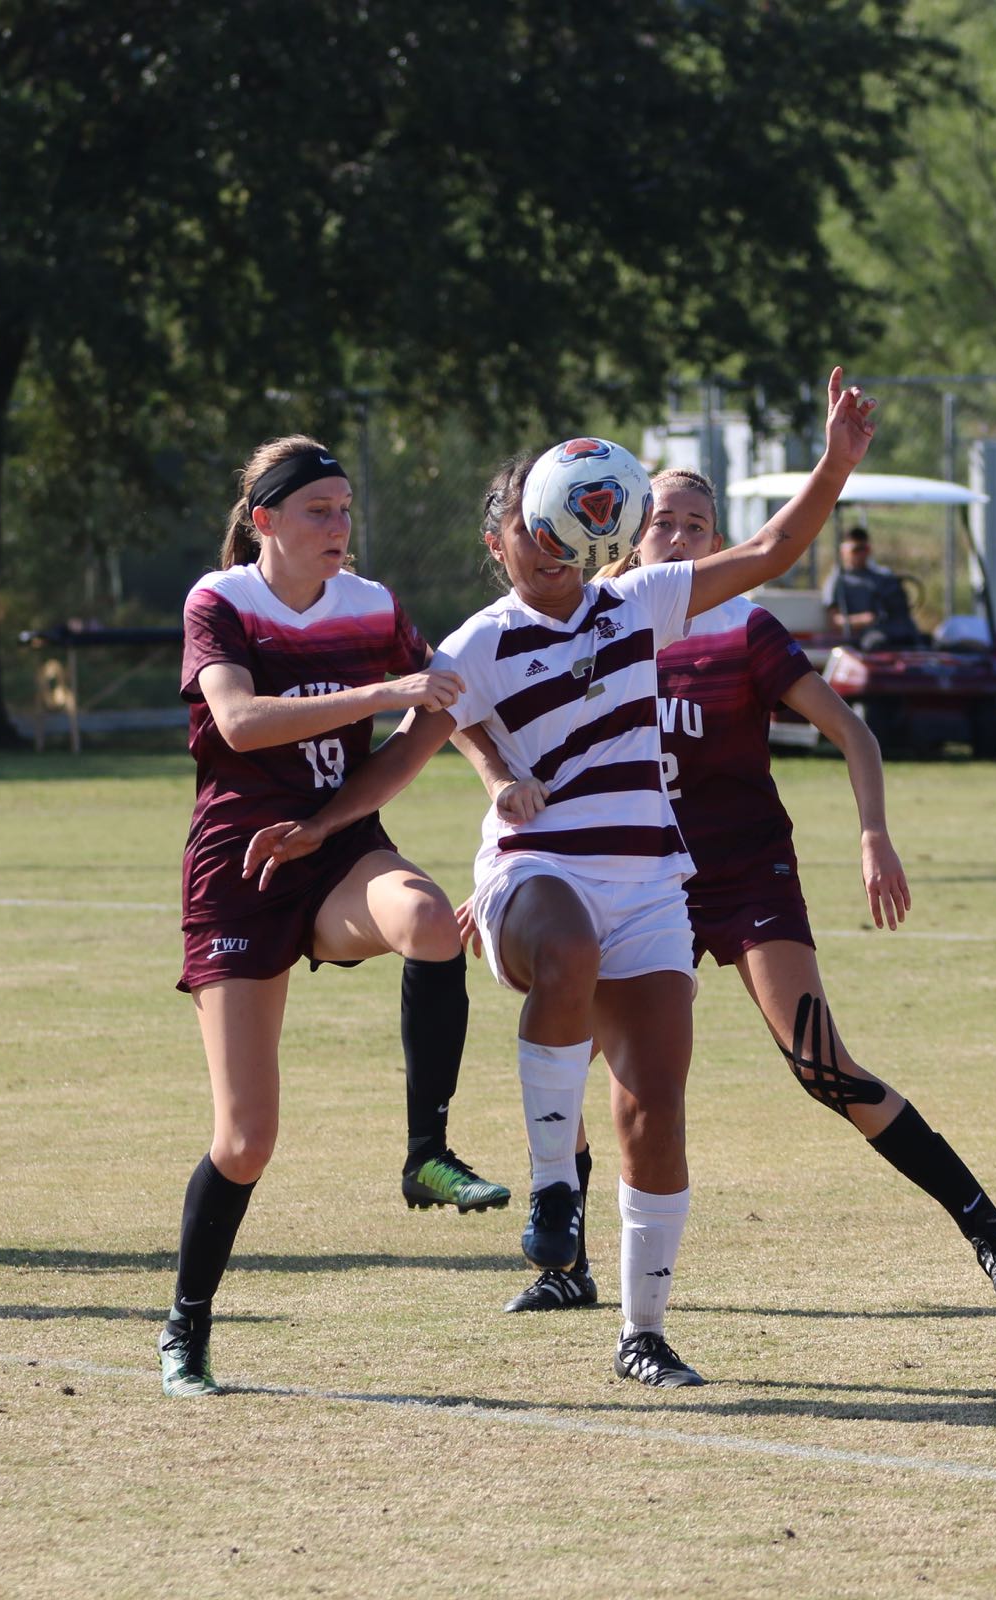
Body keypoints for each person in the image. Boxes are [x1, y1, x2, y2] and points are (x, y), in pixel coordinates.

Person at [247, 370, 879, 1388]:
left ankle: (644, 1333)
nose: (541, 536)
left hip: (648, 889)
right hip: (528, 882)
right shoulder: (477, 644)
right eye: (518, 523)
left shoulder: (638, 603)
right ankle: (552, 1188)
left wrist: (833, 466)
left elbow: (769, 550)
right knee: (568, 946)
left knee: (653, 1112)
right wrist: (314, 827)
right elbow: (402, 762)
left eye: (555, 519)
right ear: (498, 542)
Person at [478, 467, 996, 1315]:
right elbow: (497, 728)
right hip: (629, 879)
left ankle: (983, 1221)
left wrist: (873, 833)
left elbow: (851, 730)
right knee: (564, 1059)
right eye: (664, 520)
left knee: (820, 1063)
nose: (680, 537)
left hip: (741, 872)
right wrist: (511, 874)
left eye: (699, 525)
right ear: (627, 527)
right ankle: (568, 1263)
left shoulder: (741, 627)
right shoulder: (595, 623)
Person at [156, 435, 500, 1399]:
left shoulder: (374, 604)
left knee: (431, 920)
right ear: (264, 519)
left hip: (336, 847)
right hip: (238, 867)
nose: (340, 528)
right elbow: (241, 723)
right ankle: (186, 1327)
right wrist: (387, 691)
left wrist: (343, 817)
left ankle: (426, 1154)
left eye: (347, 510)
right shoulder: (219, 601)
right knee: (246, 1140)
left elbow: (442, 708)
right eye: (319, 511)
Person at [820, 529, 919, 648]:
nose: (861, 554)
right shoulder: (838, 580)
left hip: (896, 630)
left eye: (865, 549)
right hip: (866, 636)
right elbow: (834, 621)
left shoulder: (883, 576)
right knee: (878, 643)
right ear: (843, 551)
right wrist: (862, 619)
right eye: (856, 550)